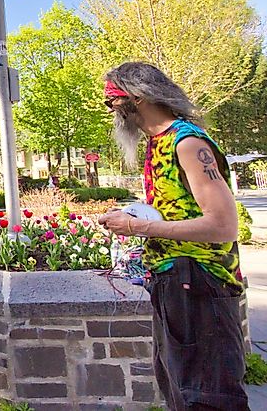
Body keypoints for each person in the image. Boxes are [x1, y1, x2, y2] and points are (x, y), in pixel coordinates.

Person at [97, 62, 248, 410]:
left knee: (207, 397)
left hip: (201, 282)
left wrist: (137, 226)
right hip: (174, 283)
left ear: (138, 97)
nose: (112, 110)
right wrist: (138, 215)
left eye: (113, 101)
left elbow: (223, 225)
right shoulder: (158, 143)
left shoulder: (187, 142)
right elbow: (180, 212)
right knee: (181, 392)